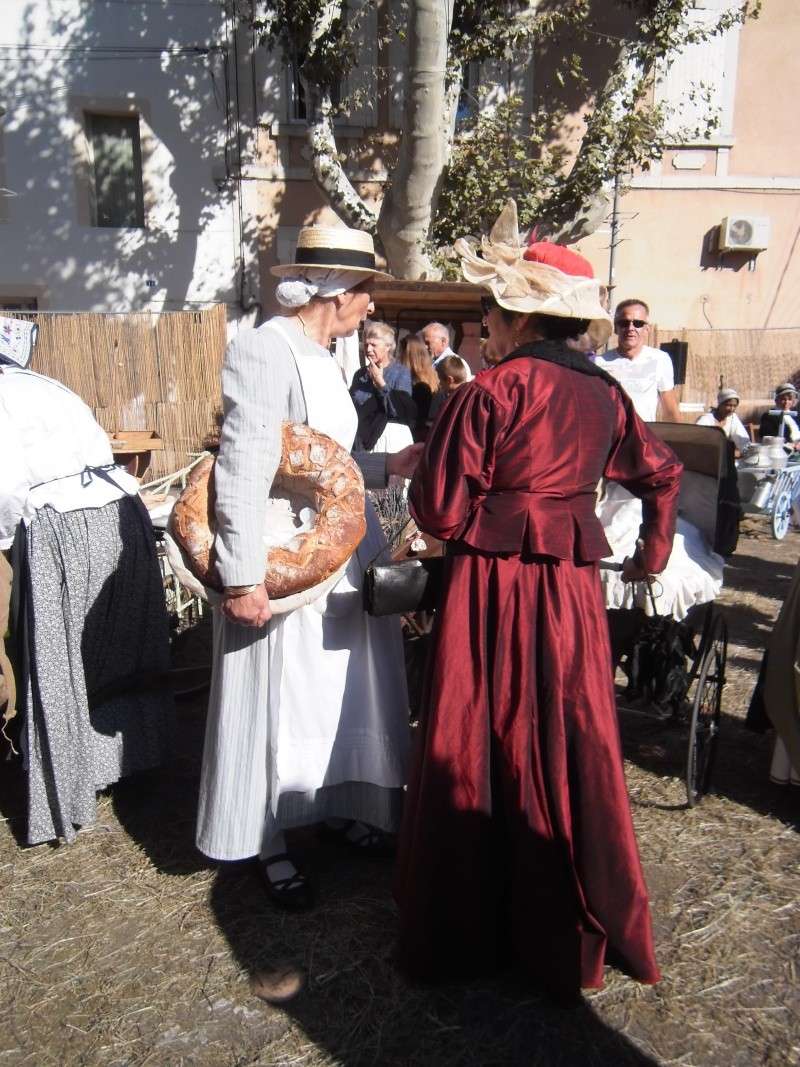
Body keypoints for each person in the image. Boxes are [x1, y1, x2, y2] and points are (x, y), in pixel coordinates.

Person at [394, 201, 682, 1000]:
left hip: (491, 587)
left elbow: (441, 512)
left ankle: (474, 916)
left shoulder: (489, 392)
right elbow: (661, 472)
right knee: (569, 728)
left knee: (477, 728)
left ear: (517, 313)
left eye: (488, 310)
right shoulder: (605, 392)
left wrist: (434, 478)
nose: (483, 324)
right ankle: (569, 909)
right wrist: (650, 557)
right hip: (570, 593)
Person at [197, 225, 417, 910]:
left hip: (339, 552)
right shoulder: (264, 350)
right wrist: (241, 576)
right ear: (337, 291)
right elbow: (244, 466)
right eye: (367, 291)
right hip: (282, 556)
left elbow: (321, 460)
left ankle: (332, 804)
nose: (371, 306)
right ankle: (269, 839)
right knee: (280, 692)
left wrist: (385, 466)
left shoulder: (324, 354)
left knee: (334, 688)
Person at [0, 316, 172, 845]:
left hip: (61, 525)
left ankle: (70, 791)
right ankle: (131, 762)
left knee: (60, 661)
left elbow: (6, 490)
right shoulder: (46, 385)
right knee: (118, 652)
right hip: (119, 513)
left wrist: (9, 544)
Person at [592, 300, 681, 422]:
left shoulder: (660, 359)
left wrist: (676, 439)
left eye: (638, 323)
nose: (630, 328)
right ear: (616, 328)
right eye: (624, 323)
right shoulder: (599, 363)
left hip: (644, 437)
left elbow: (670, 409)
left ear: (647, 329)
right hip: (612, 438)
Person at [349, 321, 416, 453]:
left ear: (387, 347)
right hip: (361, 440)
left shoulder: (400, 372)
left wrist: (380, 382)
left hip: (390, 440)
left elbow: (400, 411)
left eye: (373, 345)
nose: (368, 349)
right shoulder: (360, 374)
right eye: (366, 344)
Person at [397, 332, 441, 442]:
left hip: (411, 435)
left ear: (406, 355)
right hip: (428, 435)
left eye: (400, 352)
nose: (397, 356)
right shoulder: (433, 376)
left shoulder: (414, 383)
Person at [696, 387, 750, 455]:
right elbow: (697, 442)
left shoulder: (733, 419)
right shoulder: (706, 420)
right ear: (720, 404)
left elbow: (744, 442)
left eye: (734, 406)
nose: (732, 409)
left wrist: (745, 452)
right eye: (728, 405)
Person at [758, 383, 800, 448]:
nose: (786, 402)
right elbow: (768, 437)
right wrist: (791, 445)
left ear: (793, 401)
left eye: (789, 399)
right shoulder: (769, 416)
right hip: (781, 451)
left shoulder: (795, 416)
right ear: (776, 400)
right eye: (783, 399)